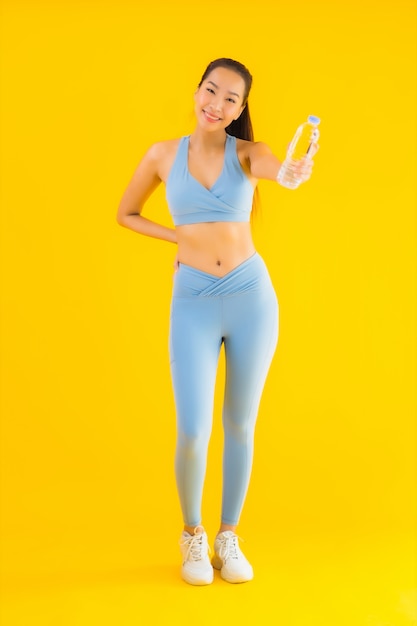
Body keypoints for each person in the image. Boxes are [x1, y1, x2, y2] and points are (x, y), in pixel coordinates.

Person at [117, 58, 318, 586]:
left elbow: (280, 170)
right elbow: (127, 213)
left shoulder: (250, 153)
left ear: (241, 109)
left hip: (252, 297)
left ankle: (228, 536)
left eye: (231, 98)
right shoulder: (162, 156)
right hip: (194, 300)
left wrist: (293, 172)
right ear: (197, 90)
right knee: (192, 430)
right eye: (211, 91)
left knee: (240, 426)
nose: (217, 104)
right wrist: (178, 239)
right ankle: (192, 535)